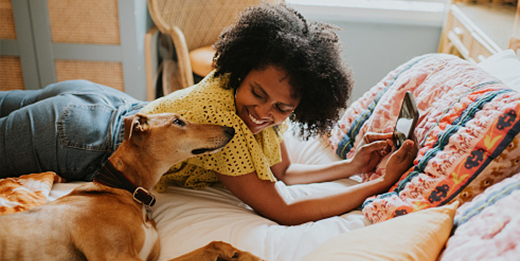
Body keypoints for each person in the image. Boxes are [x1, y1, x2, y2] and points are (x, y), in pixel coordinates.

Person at [0, 3, 417, 225]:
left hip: (103, 105)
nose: (263, 112)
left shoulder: (264, 105)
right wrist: (376, 184)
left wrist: (350, 165)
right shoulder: (223, 126)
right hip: (80, 136)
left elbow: (281, 171)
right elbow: (283, 210)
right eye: (257, 93)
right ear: (242, 67)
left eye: (282, 108)